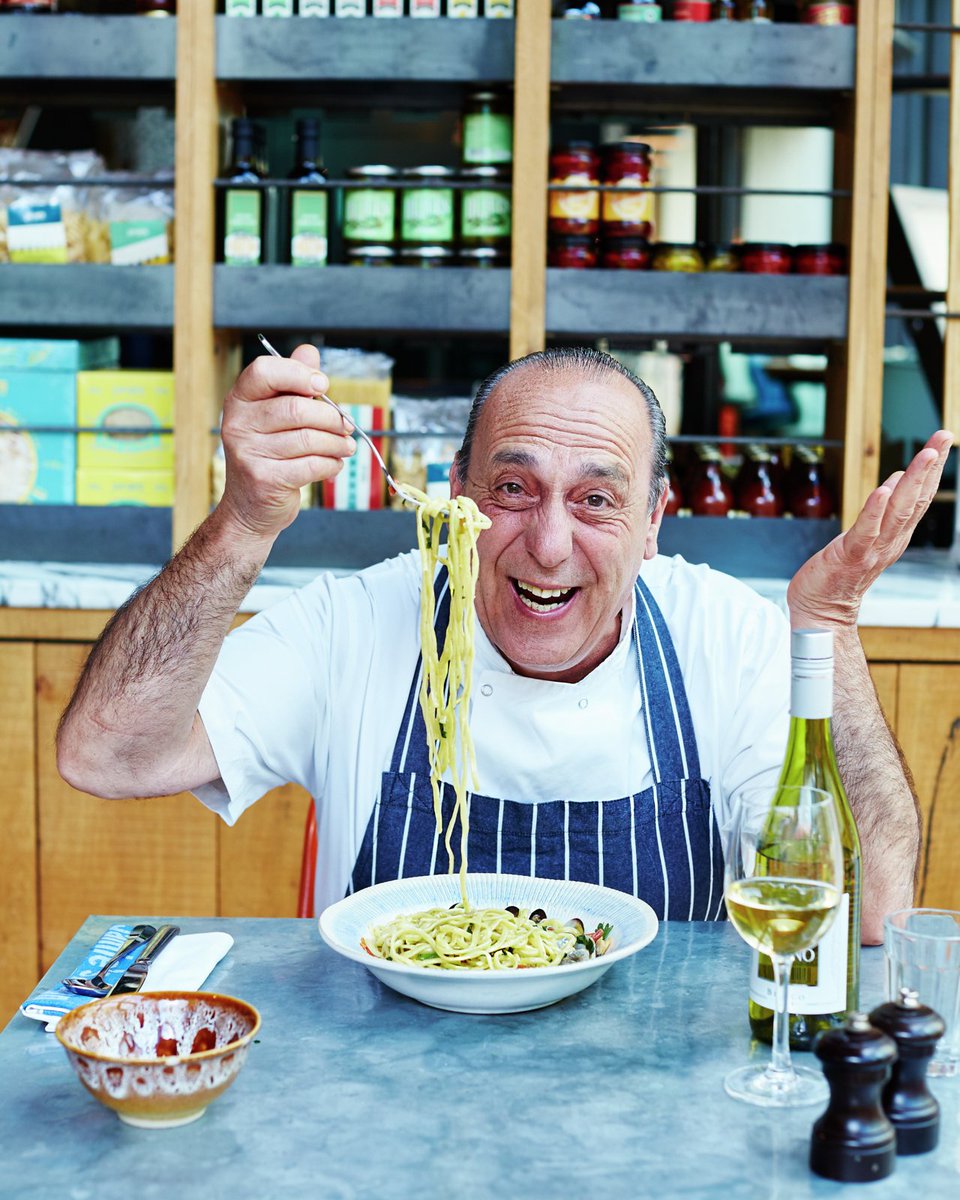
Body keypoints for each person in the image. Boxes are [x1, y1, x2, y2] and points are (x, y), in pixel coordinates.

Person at [56, 345, 952, 940]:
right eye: (513, 488)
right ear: (455, 497)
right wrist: (245, 523)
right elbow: (106, 755)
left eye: (598, 499)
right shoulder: (354, 625)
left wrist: (827, 632)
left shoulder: (728, 639)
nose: (551, 545)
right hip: (379, 1106)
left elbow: (871, 911)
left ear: (653, 523)